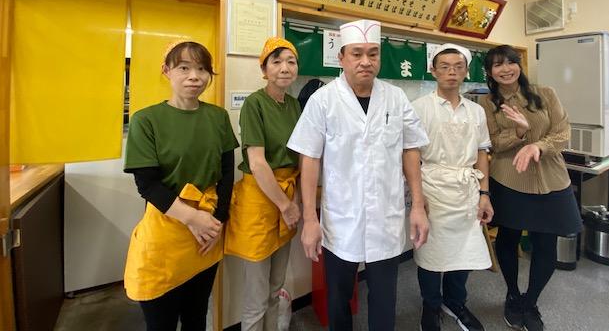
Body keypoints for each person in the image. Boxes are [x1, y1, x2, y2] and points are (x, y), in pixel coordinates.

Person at [287, 19, 430, 331]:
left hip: (386, 216)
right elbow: (309, 158)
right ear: (341, 58)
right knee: (338, 299)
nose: (366, 61)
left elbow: (411, 150)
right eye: (356, 53)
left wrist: (418, 206)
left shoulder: (395, 97)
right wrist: (310, 219)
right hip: (341, 219)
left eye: (373, 53)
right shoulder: (323, 100)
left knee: (384, 297)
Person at [123, 41, 239, 331]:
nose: (194, 76)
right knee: (160, 321)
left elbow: (227, 172)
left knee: (196, 316)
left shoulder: (218, 117)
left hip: (207, 231)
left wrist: (217, 221)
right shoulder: (145, 120)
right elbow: (147, 184)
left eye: (202, 69)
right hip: (167, 227)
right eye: (184, 68)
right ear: (166, 71)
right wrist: (194, 218)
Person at [478, 45, 581, 331]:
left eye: (511, 62)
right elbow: (493, 143)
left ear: (519, 65)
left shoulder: (545, 93)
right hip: (509, 180)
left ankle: (530, 301)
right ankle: (512, 295)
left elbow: (563, 132)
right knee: (507, 240)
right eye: (498, 65)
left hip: (552, 180)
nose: (506, 69)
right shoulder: (487, 103)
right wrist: (520, 132)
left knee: (546, 244)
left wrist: (538, 145)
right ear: (489, 72)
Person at [411, 43, 493, 331]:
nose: (451, 72)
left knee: (465, 251)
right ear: (433, 71)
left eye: (458, 67)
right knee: (430, 255)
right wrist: (417, 199)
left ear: (466, 71)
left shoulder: (476, 111)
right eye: (444, 67)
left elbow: (482, 152)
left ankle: (455, 302)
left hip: (467, 188)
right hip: (432, 188)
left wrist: (484, 194)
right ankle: (431, 305)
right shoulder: (419, 107)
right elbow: (411, 155)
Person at [224, 37, 302, 331]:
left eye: (291, 61)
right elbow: (257, 162)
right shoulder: (254, 104)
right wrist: (286, 205)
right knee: (256, 297)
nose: (285, 68)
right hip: (259, 200)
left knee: (275, 287)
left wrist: (296, 202)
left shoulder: (294, 105)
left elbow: (301, 158)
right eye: (276, 61)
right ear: (264, 70)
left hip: (287, 198)